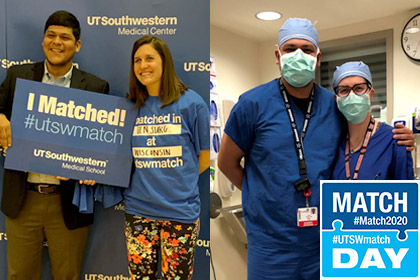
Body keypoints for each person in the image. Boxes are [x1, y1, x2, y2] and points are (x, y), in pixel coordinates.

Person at [217, 18, 414, 280]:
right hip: (270, 247)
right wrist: (263, 195)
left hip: (324, 244)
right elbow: (225, 163)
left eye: (307, 49)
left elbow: (363, 129)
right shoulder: (252, 104)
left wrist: (401, 136)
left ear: (318, 58)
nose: (298, 55)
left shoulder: (333, 105)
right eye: (290, 49)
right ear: (277, 55)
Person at [0, 10, 109, 280]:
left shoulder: (96, 87)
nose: (56, 42)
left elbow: (105, 147)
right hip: (23, 199)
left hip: (69, 203)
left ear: (77, 45)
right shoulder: (18, 76)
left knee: (67, 276)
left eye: (65, 37)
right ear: (43, 40)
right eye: (51, 35)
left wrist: (92, 169)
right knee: (19, 275)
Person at [124, 35, 210, 280]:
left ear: (164, 62)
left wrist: (176, 185)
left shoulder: (192, 104)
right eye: (137, 60)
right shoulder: (130, 105)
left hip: (180, 214)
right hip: (139, 211)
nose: (143, 66)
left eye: (149, 58)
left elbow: (203, 159)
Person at [331, 61, 414, 180]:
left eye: (359, 88)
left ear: (371, 94)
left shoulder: (396, 141)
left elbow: (407, 196)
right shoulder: (334, 145)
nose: (352, 95)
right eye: (344, 90)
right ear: (336, 99)